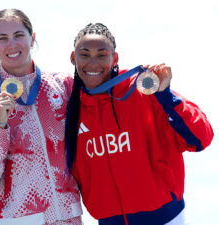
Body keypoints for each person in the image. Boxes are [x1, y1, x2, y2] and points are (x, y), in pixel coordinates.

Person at [65, 22, 214, 225]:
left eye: (101, 54)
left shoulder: (144, 90)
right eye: (84, 54)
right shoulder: (70, 106)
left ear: (114, 58)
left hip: (165, 218)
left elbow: (200, 138)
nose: (93, 63)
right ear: (73, 57)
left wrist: (166, 96)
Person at [0, 9, 82, 225]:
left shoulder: (64, 86)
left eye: (19, 35)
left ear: (32, 38)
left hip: (67, 218)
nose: (12, 44)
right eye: (3, 38)